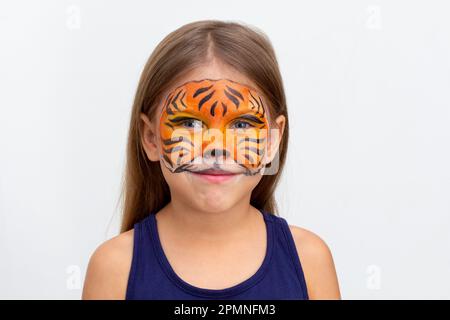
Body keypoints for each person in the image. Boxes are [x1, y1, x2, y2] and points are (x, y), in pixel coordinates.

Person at [82, 20, 341, 300]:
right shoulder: (115, 267)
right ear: (150, 137)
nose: (217, 147)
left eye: (241, 125)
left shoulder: (309, 261)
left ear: (271, 141)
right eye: (190, 124)